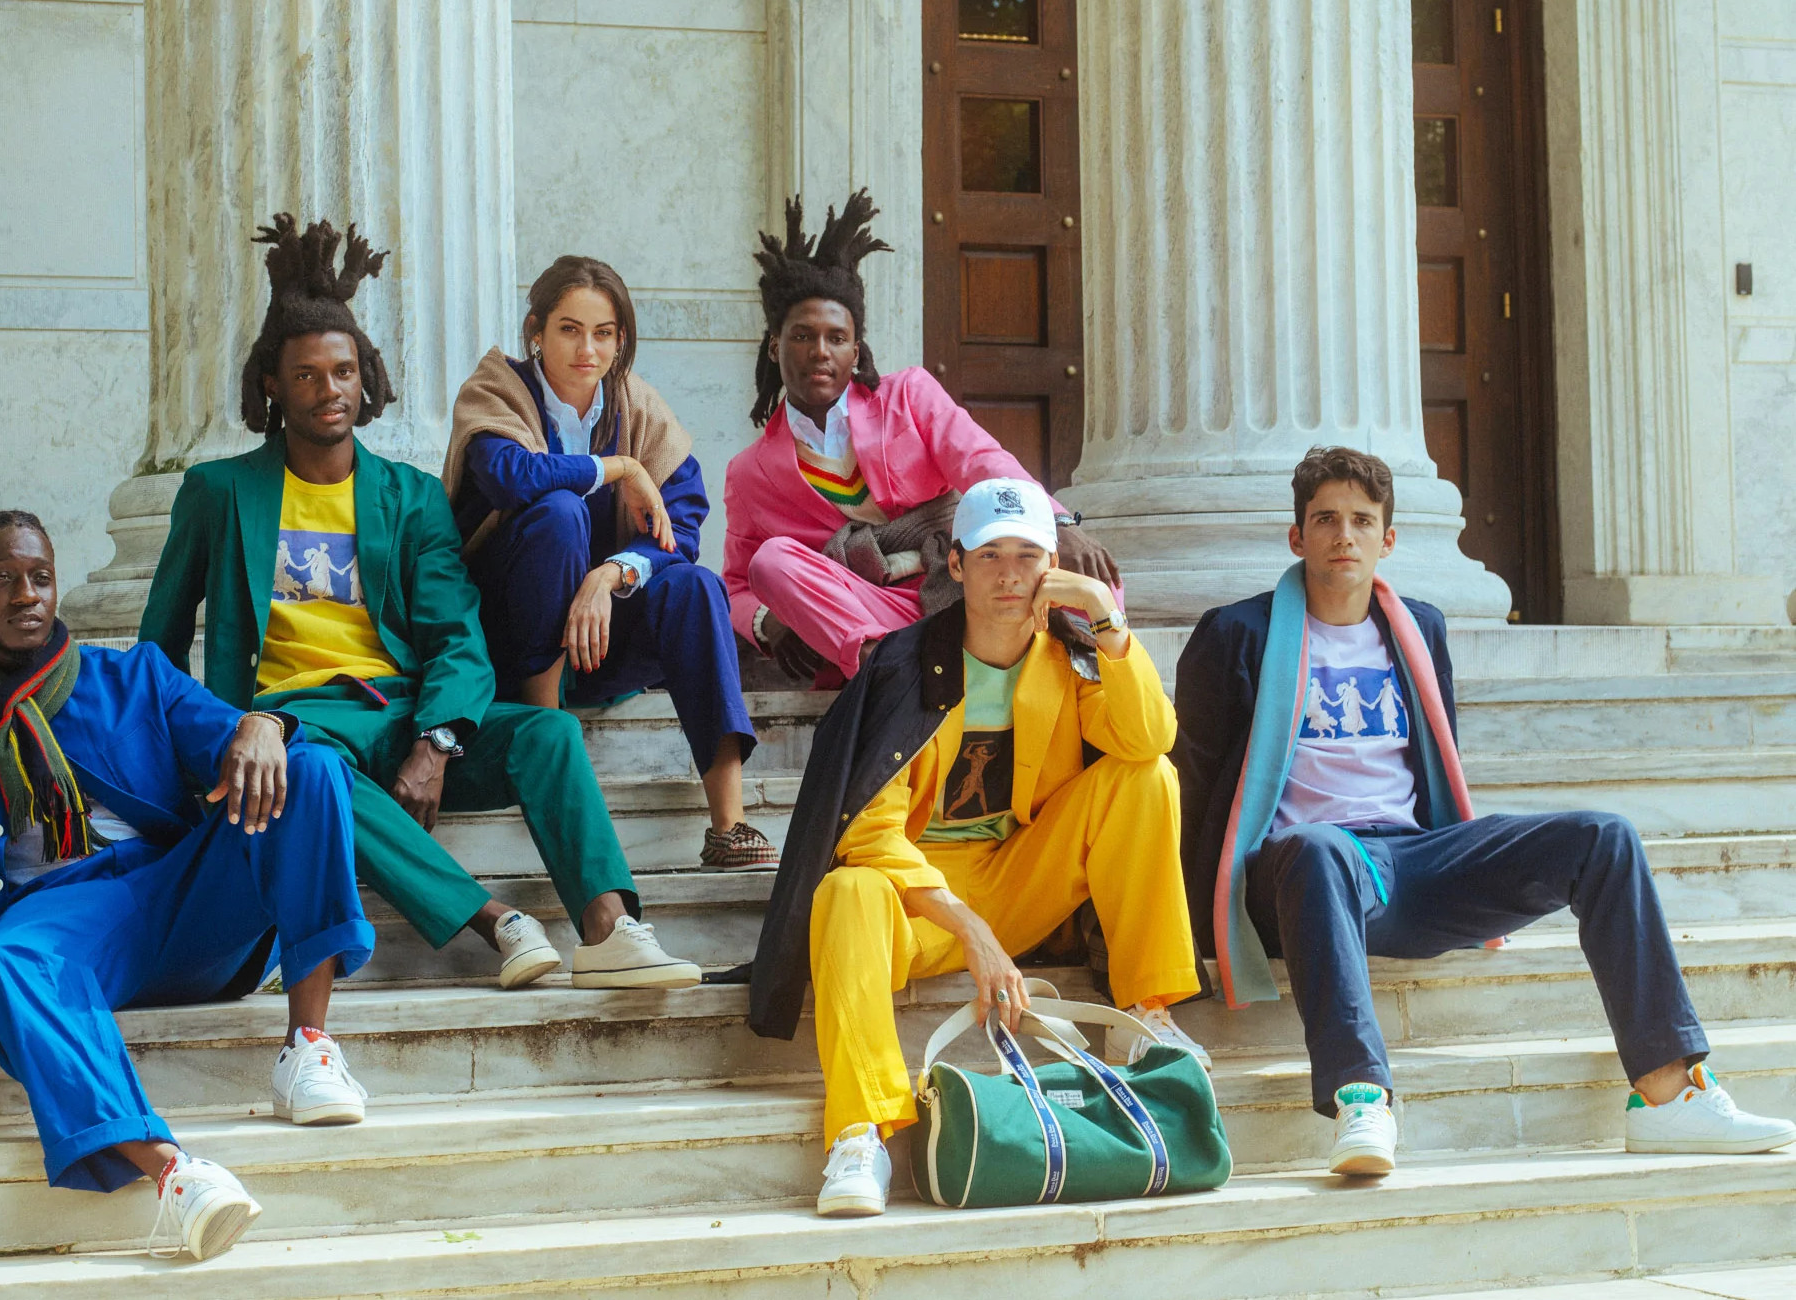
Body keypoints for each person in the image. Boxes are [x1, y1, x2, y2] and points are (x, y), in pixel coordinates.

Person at [1172, 445, 1796, 1176]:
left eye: (1361, 521)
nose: (1344, 536)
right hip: (1303, 874)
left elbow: (1435, 764)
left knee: (1603, 837)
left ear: (1387, 539)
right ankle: (1361, 1099)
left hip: (1409, 862)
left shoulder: (1418, 627)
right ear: (1296, 536)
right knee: (1319, 846)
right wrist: (1180, 940)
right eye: (1325, 519)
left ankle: (1668, 1095)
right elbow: (1195, 785)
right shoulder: (1235, 635)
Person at [141, 215, 698, 992]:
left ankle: (606, 928)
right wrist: (190, 749)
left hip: (401, 711)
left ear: (364, 376)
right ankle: (495, 919)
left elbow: (456, 635)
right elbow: (157, 646)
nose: (327, 390)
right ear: (272, 384)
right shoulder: (217, 493)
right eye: (305, 375)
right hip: (291, 722)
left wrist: (434, 742)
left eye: (341, 372)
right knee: (312, 776)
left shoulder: (407, 497)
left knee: (543, 733)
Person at [0, 511, 376, 1260]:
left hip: (176, 897)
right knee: (1, 961)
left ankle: (307, 1044)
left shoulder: (134, 675)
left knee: (310, 771)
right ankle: (175, 1174)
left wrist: (264, 723)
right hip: (59, 922)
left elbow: (237, 739)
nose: (26, 595)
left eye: (39, 578)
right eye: (2, 580)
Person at [746, 478, 1201, 1218]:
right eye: (990, 555)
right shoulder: (901, 663)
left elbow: (1147, 737)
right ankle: (860, 1133)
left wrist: (1107, 619)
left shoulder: (1072, 654)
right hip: (920, 905)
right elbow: (865, 831)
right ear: (954, 566)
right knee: (846, 890)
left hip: (1021, 878)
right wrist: (968, 927)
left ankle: (1149, 1011)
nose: (1009, 574)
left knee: (1144, 776)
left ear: (1049, 566)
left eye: (1027, 556)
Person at [444, 255, 774, 870]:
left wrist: (611, 574)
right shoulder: (497, 390)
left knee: (697, 587)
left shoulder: (637, 407)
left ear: (621, 340)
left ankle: (729, 824)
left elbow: (683, 522)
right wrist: (619, 468)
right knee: (559, 513)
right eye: (569, 329)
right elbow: (513, 478)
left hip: (597, 642)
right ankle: (548, 739)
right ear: (535, 331)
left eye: (603, 333)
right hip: (509, 642)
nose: (585, 350)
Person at [721, 190, 1122, 685]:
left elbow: (983, 462)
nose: (819, 352)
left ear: (856, 350)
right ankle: (891, 675)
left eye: (836, 338)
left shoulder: (908, 395)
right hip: (873, 614)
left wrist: (1058, 522)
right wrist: (769, 620)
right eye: (802, 336)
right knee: (773, 562)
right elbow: (739, 582)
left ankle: (1087, 674)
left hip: (962, 586)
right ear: (774, 345)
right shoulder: (749, 473)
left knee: (1091, 575)